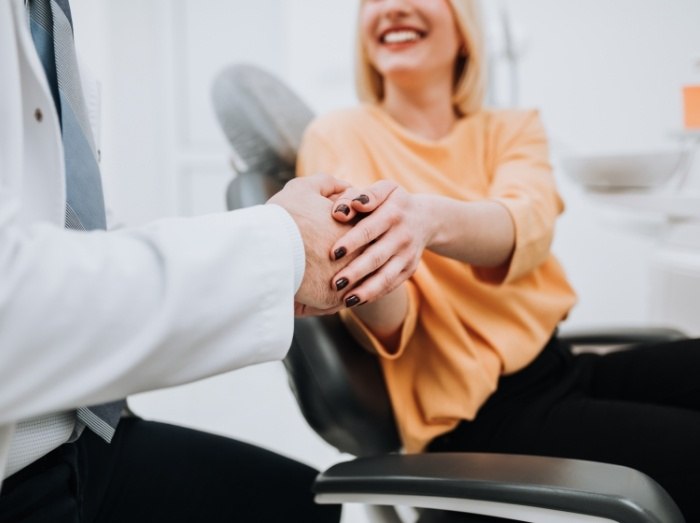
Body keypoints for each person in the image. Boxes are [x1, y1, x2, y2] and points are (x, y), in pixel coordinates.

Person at [297, 0, 700, 520]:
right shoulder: (339, 135)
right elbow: (389, 319)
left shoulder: (511, 128)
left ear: (464, 29)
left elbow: (527, 221)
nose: (393, 8)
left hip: (557, 371)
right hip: (474, 420)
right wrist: (374, 265)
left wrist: (425, 220)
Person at [0, 0, 387, 521]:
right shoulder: (342, 136)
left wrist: (281, 265)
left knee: (301, 504)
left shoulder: (52, 28)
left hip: (88, 432)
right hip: (18, 469)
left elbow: (91, 240)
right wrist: (284, 248)